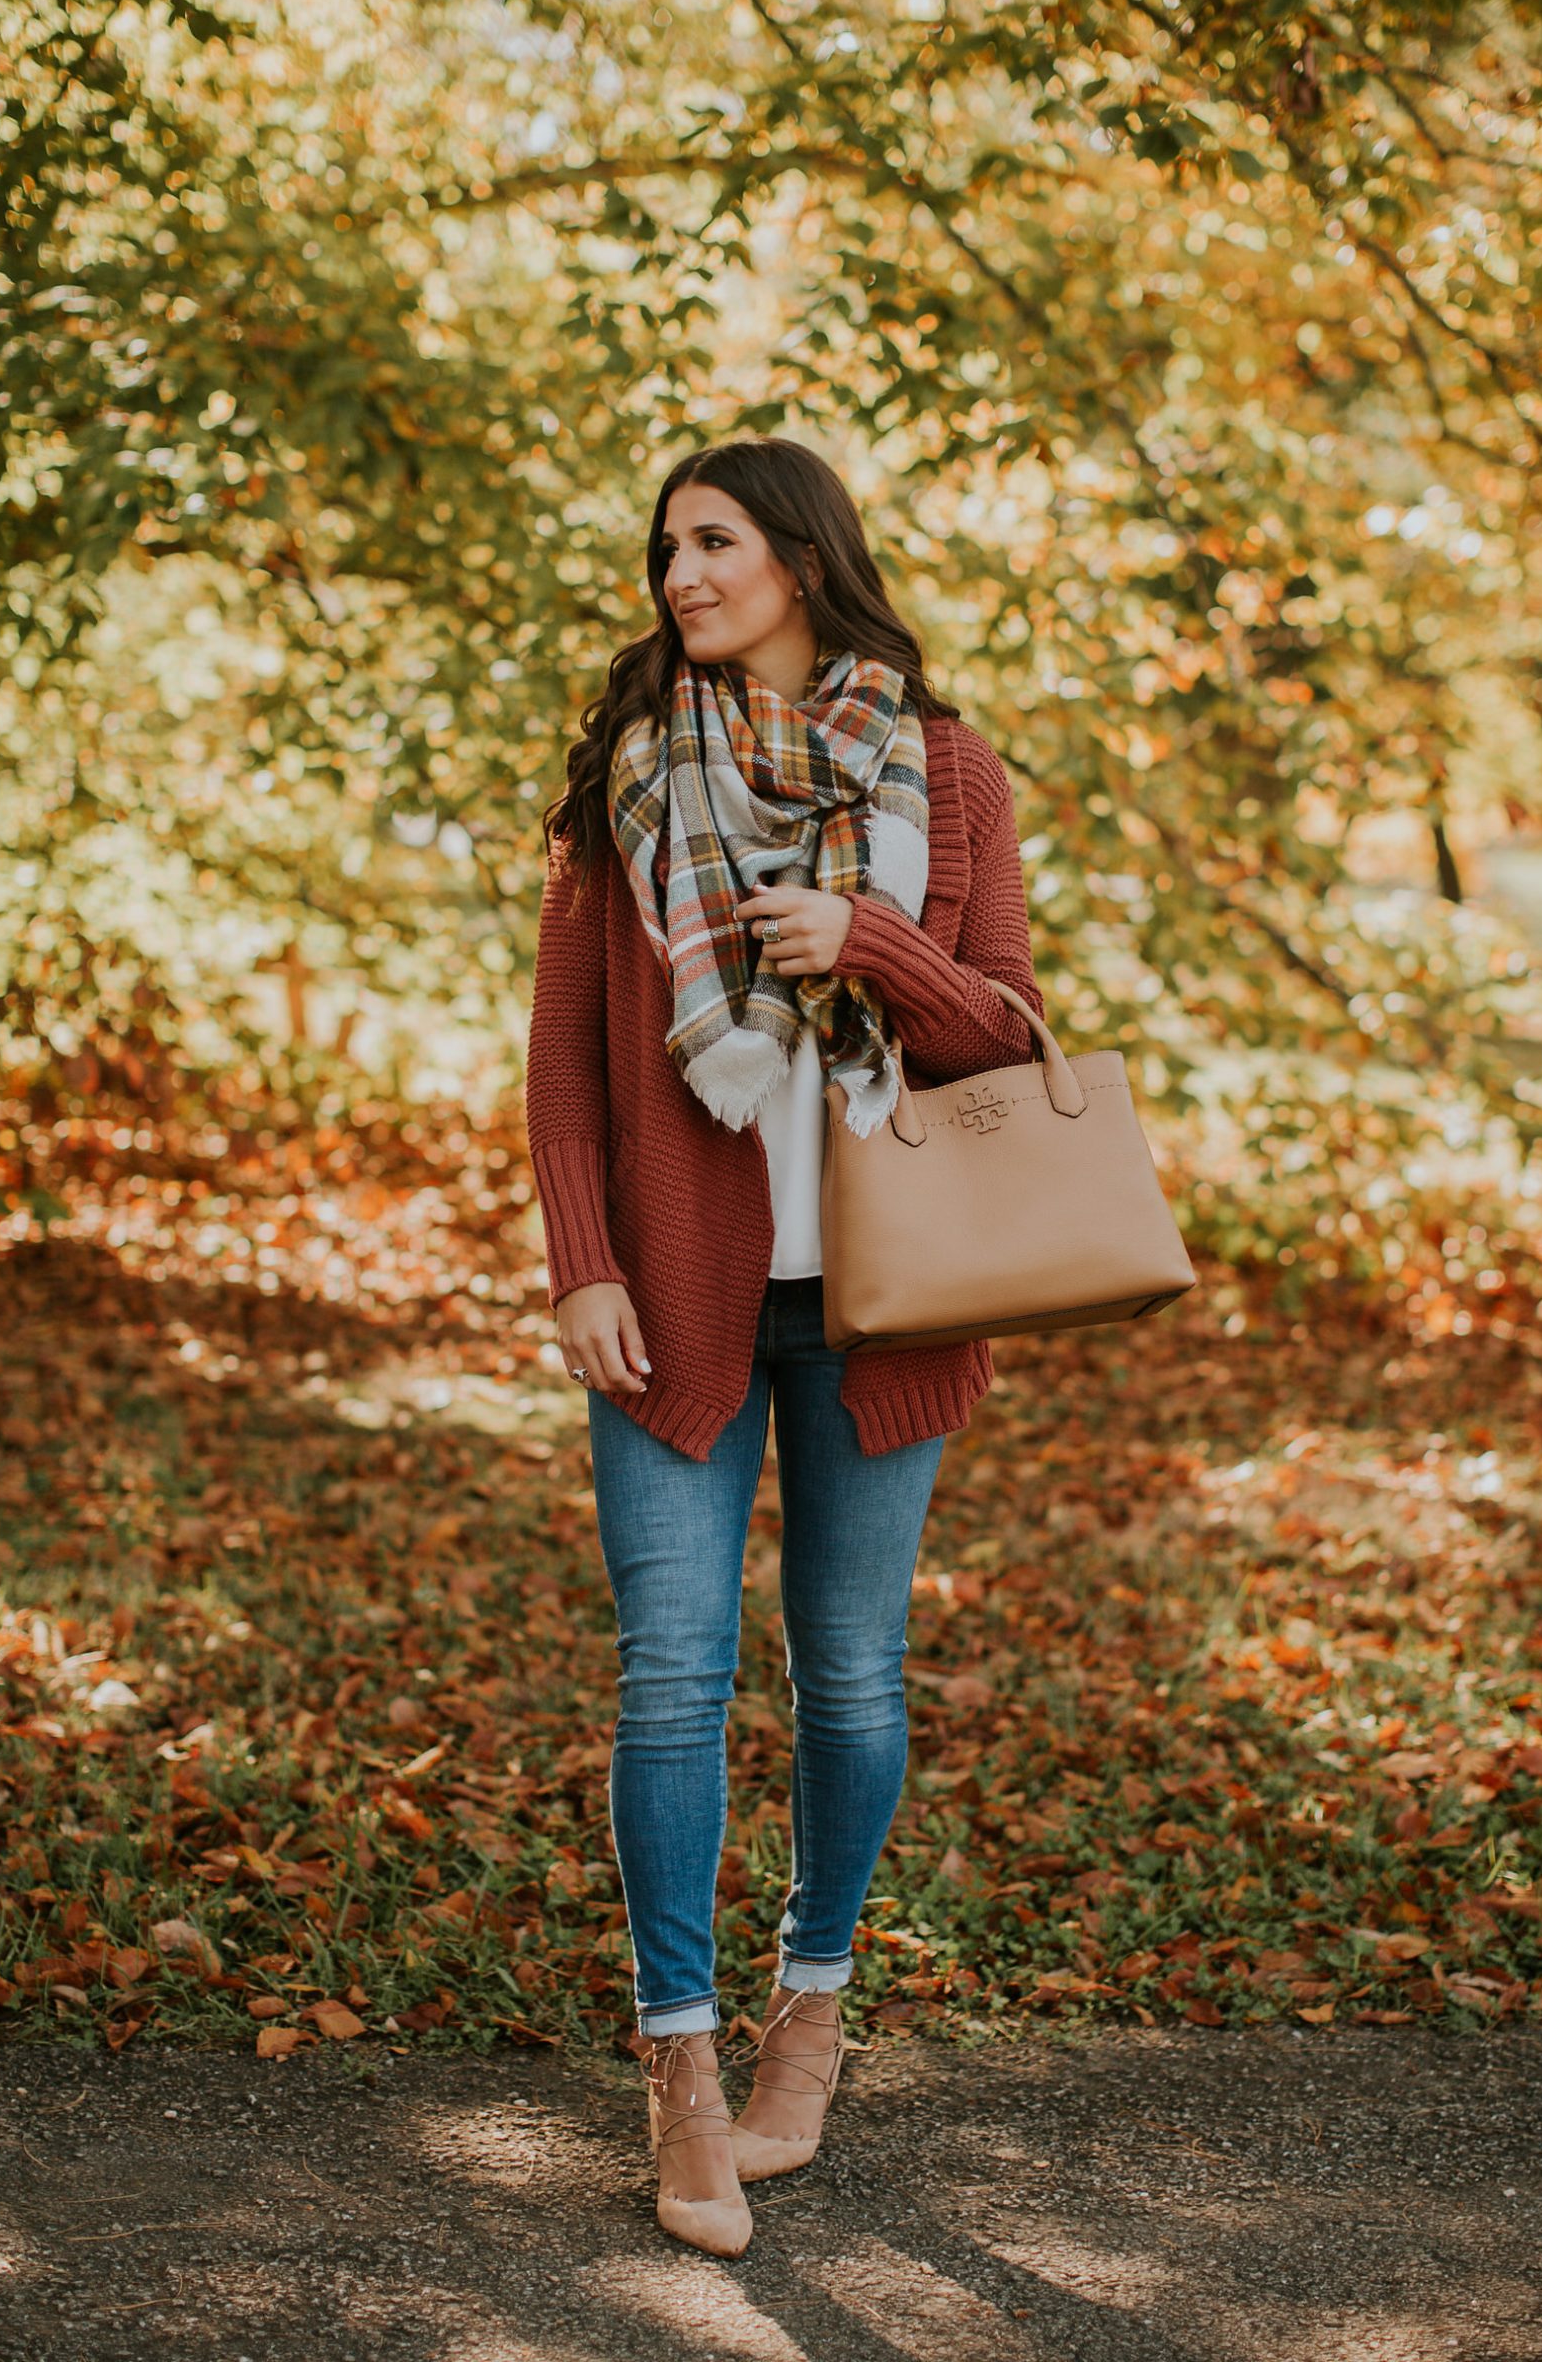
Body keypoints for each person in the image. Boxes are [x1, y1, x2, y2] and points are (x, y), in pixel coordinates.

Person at [524, 435, 1044, 2257]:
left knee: (853, 1677)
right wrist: (582, 1261)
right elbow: (566, 1064)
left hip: (885, 1305)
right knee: (670, 1675)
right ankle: (679, 2060)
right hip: (674, 1299)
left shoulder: (947, 768)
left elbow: (1010, 1033)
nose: (678, 572)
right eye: (665, 544)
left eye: (713, 539)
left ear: (802, 555)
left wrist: (871, 941)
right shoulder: (624, 779)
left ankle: (808, 2011)